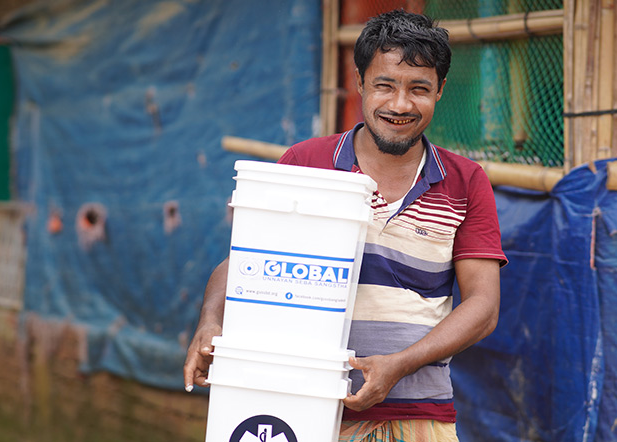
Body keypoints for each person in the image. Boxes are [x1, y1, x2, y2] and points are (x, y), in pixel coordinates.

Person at [184, 9, 507, 442]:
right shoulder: (306, 162)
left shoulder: (465, 181)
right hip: (301, 406)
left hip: (420, 418)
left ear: (441, 91)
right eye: (384, 86)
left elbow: (483, 308)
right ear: (359, 83)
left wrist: (401, 362)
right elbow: (246, 261)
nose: (400, 104)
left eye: (419, 89)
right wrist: (210, 319)